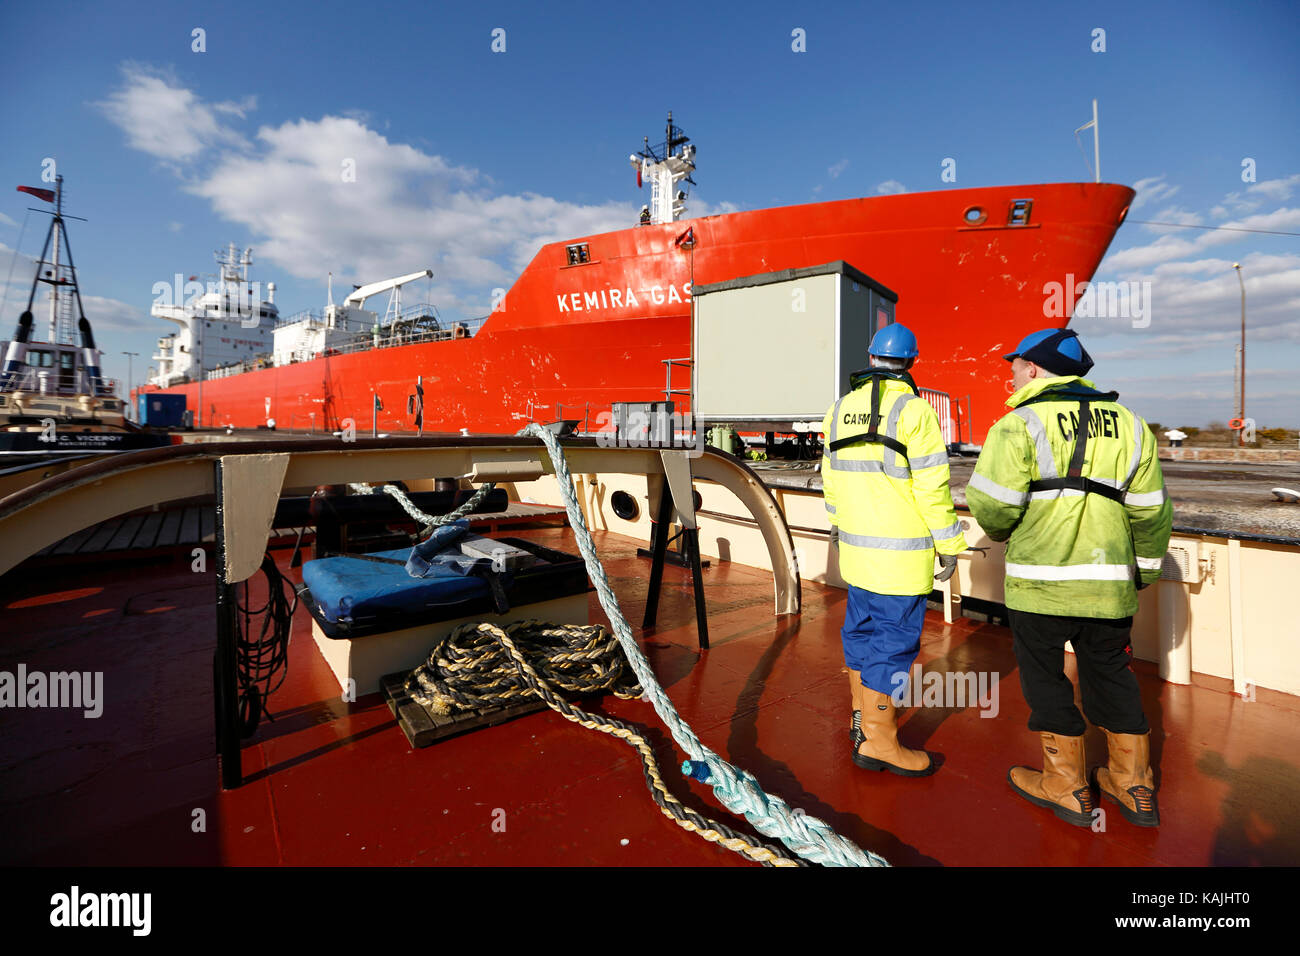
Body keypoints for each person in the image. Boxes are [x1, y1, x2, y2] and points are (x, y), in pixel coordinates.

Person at [966, 328, 1172, 827]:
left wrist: (1011, 527)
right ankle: (1133, 784)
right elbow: (1151, 512)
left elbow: (992, 508)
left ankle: (1067, 785)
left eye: (1015, 364)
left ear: (1033, 368)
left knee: (1047, 681)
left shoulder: (1018, 425)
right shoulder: (1133, 425)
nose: (1011, 373)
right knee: (1112, 676)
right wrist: (1141, 572)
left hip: (1040, 586)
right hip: (1108, 588)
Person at [820, 322, 966, 776]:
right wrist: (949, 546)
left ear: (870, 358)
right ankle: (880, 743)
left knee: (859, 634)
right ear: (911, 361)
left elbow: (830, 481)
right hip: (901, 560)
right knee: (893, 643)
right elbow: (933, 488)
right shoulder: (915, 410)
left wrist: (841, 526)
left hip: (857, 555)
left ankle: (861, 719)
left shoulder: (839, 408)